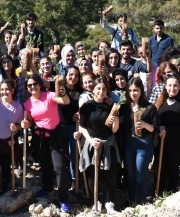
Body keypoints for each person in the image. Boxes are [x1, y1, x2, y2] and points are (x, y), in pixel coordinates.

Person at [21, 75, 72, 212]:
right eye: (29, 85)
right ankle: (48, 187)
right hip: (40, 137)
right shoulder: (28, 103)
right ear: (27, 88)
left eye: (35, 84)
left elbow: (65, 101)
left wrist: (62, 91)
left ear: (40, 84)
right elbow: (31, 121)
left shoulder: (49, 96)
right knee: (44, 165)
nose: (33, 87)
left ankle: (63, 197)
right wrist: (26, 123)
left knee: (59, 167)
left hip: (55, 136)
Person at [77, 78, 120, 214]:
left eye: (104, 89)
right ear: (93, 89)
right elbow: (82, 127)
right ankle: (96, 201)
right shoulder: (87, 107)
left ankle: (109, 202)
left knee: (111, 173)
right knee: (92, 174)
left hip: (108, 142)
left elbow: (114, 130)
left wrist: (116, 119)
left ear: (107, 91)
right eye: (98, 88)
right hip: (92, 143)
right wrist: (90, 140)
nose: (101, 92)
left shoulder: (111, 106)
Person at [121, 77, 157, 205]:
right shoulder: (126, 107)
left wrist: (144, 125)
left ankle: (142, 202)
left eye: (135, 90)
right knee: (130, 176)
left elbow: (155, 128)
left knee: (140, 176)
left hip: (144, 144)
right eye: (130, 90)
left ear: (141, 90)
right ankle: (130, 200)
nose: (132, 93)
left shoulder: (149, 108)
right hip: (129, 143)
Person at [155, 75, 180, 194]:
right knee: (160, 167)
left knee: (172, 168)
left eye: (175, 85)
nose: (172, 88)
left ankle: (170, 192)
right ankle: (158, 192)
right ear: (165, 86)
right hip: (161, 141)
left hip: (177, 144)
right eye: (170, 85)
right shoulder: (162, 101)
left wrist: (167, 128)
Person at [58, 66, 82, 189]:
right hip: (60, 125)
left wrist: (79, 113)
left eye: (76, 75)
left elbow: (85, 105)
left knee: (74, 154)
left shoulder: (81, 91)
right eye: (71, 74)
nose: (73, 77)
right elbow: (42, 82)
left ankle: (74, 179)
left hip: (74, 127)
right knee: (61, 153)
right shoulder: (59, 87)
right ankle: (63, 177)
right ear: (66, 75)